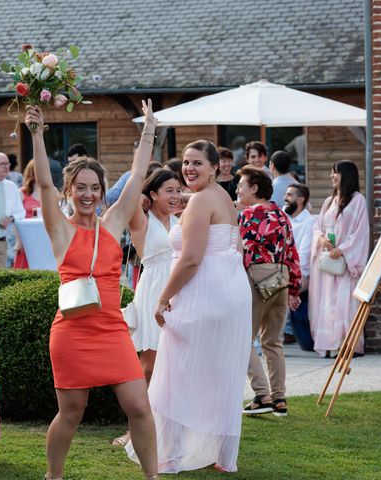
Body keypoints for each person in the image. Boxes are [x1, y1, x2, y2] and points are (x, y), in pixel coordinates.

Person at [26, 101, 159, 480]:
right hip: (71, 331)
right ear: (70, 190)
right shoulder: (60, 229)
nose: (87, 194)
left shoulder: (112, 223)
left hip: (111, 329)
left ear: (102, 192)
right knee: (71, 411)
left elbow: (136, 179)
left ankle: (153, 477)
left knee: (138, 406)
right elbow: (45, 183)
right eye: (81, 188)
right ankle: (54, 476)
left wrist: (149, 129)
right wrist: (37, 132)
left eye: (94, 188)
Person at [131, 140, 252, 474]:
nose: (189, 168)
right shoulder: (223, 198)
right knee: (218, 374)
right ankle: (224, 458)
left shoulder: (200, 200)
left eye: (197, 163)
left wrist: (162, 299)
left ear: (215, 167)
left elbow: (190, 259)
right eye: (185, 162)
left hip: (203, 291)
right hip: (229, 290)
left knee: (175, 372)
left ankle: (169, 454)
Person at [111, 169, 180, 448]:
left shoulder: (179, 220)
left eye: (178, 190)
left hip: (178, 292)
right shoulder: (141, 219)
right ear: (152, 194)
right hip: (152, 289)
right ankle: (135, 429)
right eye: (169, 191)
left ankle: (170, 427)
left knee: (176, 364)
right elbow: (125, 195)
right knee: (147, 367)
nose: (176, 196)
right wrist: (143, 195)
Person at [237, 166, 301, 417]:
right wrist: (294, 287)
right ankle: (279, 399)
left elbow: (239, 252)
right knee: (273, 342)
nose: (238, 190)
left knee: (243, 338)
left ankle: (262, 394)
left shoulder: (247, 216)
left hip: (257, 277)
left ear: (255, 188)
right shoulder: (283, 216)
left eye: (242, 186)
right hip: (281, 279)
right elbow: (293, 253)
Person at [309, 160, 369, 357]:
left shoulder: (358, 200)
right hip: (327, 261)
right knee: (327, 303)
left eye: (335, 173)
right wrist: (321, 239)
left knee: (344, 303)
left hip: (344, 262)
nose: (331, 176)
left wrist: (343, 250)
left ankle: (347, 345)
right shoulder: (328, 201)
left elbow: (360, 233)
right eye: (331, 172)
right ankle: (329, 345)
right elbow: (317, 226)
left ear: (346, 175)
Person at [283, 184, 316, 351]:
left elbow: (303, 256)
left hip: (301, 274)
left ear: (301, 199)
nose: (285, 198)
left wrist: (293, 287)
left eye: (289, 195)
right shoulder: (283, 216)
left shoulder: (310, 222)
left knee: (306, 345)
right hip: (281, 271)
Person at [14, 159, 41, 269]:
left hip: (43, 236)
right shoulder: (22, 192)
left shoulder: (51, 191)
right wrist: (18, 241)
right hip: (26, 237)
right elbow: (17, 219)